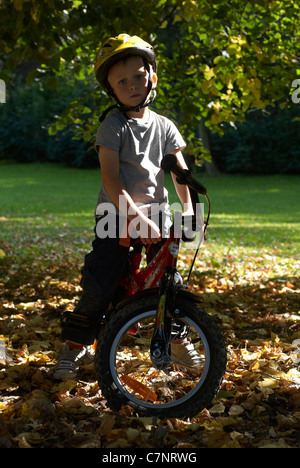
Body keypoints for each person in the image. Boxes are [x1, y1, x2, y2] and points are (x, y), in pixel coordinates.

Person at [53, 33, 198, 381]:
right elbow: (111, 180)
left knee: (171, 281)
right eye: (122, 81)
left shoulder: (164, 126)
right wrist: (133, 215)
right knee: (100, 285)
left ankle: (175, 338)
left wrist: (190, 208)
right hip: (115, 218)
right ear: (112, 90)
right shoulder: (113, 126)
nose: (132, 85)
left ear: (152, 78)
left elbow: (180, 172)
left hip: (157, 217)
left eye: (138, 76)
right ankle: (74, 346)